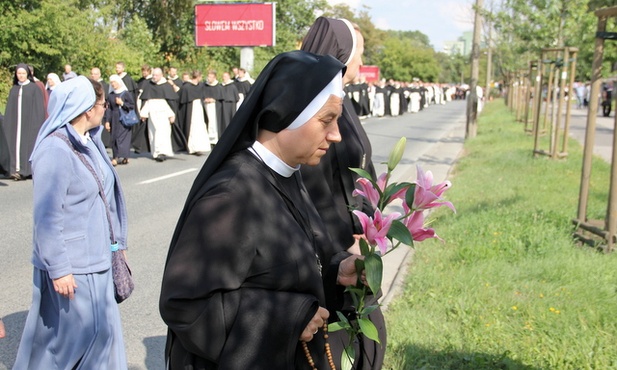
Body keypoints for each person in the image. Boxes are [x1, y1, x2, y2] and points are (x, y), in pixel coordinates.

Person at [159, 50, 364, 369]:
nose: (337, 134)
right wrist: (289, 318)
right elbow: (185, 306)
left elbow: (294, 257)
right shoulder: (231, 195)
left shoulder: (288, 174)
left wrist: (337, 268)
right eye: (327, 120)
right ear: (287, 114)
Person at [13, 76, 129, 369]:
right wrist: (60, 269)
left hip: (98, 259)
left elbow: (105, 199)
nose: (105, 109)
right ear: (87, 109)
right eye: (101, 104)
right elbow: (47, 218)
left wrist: (118, 245)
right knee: (66, 349)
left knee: (101, 342)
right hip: (75, 267)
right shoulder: (56, 150)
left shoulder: (90, 142)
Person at [300, 16, 387, 369]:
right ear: (341, 53)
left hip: (349, 236)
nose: (361, 62)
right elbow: (316, 184)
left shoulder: (341, 100)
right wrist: (346, 235)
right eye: (359, 53)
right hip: (329, 240)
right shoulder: (312, 107)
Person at [1, 63, 46, 180]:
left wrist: (37, 124)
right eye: (19, 73)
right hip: (15, 124)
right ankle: (13, 169)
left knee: (27, 145)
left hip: (29, 123)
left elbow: (38, 108)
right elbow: (10, 109)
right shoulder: (14, 89)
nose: (21, 76)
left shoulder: (34, 88)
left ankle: (24, 170)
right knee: (13, 144)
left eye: (23, 73)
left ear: (28, 74)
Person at [139, 67, 181, 161]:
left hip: (163, 115)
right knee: (153, 134)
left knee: (163, 133)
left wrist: (172, 115)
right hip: (152, 114)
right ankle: (156, 153)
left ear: (161, 75)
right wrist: (143, 114)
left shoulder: (166, 86)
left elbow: (171, 102)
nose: (154, 77)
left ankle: (162, 152)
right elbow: (146, 101)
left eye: (156, 75)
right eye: (153, 75)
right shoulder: (149, 85)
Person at [177, 69, 210, 155]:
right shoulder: (186, 87)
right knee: (192, 127)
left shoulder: (200, 86)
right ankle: (192, 147)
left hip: (199, 108)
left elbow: (202, 96)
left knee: (200, 127)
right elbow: (181, 99)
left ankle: (199, 146)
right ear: (198, 77)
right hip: (191, 110)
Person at [105, 74, 135, 165]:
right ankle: (115, 157)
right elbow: (109, 109)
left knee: (123, 138)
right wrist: (107, 121)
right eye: (111, 83)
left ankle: (125, 156)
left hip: (124, 118)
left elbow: (131, 106)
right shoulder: (110, 95)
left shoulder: (125, 93)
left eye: (114, 82)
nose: (113, 84)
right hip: (114, 119)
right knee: (114, 137)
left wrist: (122, 103)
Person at [203, 70, 223, 146]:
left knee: (213, 122)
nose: (209, 78)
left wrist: (214, 99)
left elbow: (220, 97)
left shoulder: (218, 86)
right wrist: (205, 99)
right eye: (208, 77)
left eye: (211, 77)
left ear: (214, 77)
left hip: (214, 106)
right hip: (206, 106)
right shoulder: (204, 85)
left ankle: (214, 139)